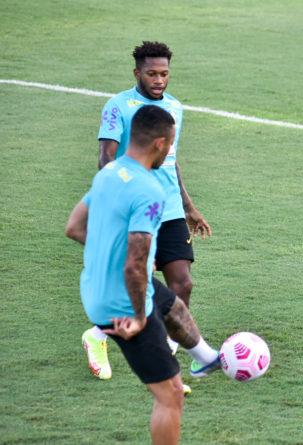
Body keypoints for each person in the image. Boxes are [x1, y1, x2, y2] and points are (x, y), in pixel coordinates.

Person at [66, 105, 220, 445]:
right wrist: (138, 317)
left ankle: (206, 358)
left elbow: (74, 227)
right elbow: (136, 267)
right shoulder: (149, 191)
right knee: (171, 396)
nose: (170, 152)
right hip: (121, 304)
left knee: (173, 304)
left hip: (101, 287)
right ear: (160, 144)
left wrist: (113, 250)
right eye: (171, 145)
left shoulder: (110, 173)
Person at [82, 40, 212, 380]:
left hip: (167, 208)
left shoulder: (175, 108)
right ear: (137, 72)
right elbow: (106, 160)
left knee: (182, 284)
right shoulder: (118, 106)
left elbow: (170, 160)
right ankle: (97, 337)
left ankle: (168, 348)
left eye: (164, 74)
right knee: (142, 284)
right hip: (135, 208)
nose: (158, 80)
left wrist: (188, 206)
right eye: (151, 73)